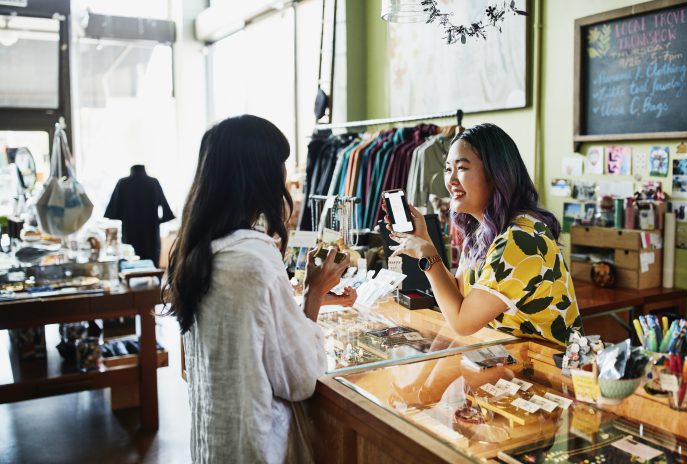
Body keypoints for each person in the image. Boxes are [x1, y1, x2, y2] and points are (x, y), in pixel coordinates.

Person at [164, 115, 355, 463]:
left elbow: (249, 337)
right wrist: (313, 294)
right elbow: (300, 377)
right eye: (279, 164)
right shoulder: (254, 258)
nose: (285, 175)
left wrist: (311, 298)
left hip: (215, 442)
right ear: (259, 175)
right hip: (259, 447)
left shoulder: (198, 250)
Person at [387, 123, 581, 347]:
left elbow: (462, 322)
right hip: (513, 363)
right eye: (448, 169)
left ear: (495, 174)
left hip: (552, 369)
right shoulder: (482, 231)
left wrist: (428, 256)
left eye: (462, 168)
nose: (450, 181)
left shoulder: (520, 240)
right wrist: (425, 240)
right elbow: (459, 297)